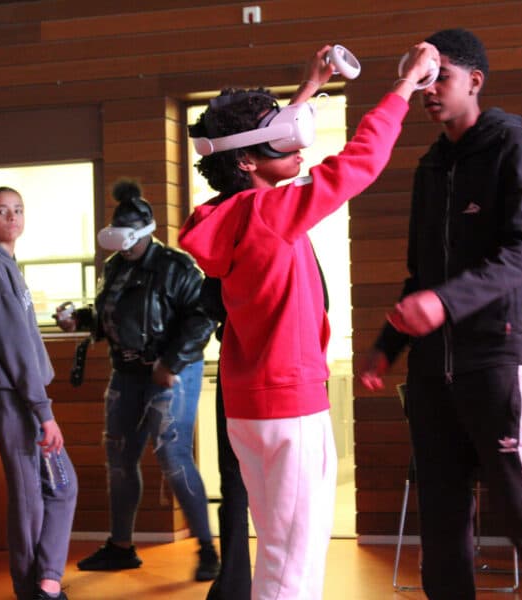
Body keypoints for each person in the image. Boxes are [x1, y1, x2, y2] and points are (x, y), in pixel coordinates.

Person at [178, 42, 440, 600]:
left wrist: (311, 86)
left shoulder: (226, 214)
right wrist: (405, 85)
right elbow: (360, 161)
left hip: (251, 407)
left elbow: (259, 150)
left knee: (279, 554)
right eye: (280, 131)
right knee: (290, 572)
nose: (296, 136)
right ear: (246, 160)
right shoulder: (271, 214)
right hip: (290, 408)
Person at [360, 28, 522, 600]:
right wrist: (387, 346)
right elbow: (419, 276)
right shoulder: (429, 168)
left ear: (475, 81)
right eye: (423, 80)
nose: (430, 91)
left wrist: (445, 302)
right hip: (431, 374)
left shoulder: (514, 145)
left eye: (442, 78)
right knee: (441, 522)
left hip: (496, 361)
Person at [55, 179, 219, 581]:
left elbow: (203, 317)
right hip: (126, 373)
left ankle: (207, 548)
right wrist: (81, 320)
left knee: (173, 456)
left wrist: (171, 362)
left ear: (146, 232)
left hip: (170, 372)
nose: (124, 247)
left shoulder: (176, 267)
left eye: (129, 238)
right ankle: (121, 546)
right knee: (119, 459)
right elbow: (112, 317)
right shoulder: (115, 268)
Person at [0, 186, 78, 600]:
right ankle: (35, 589)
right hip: (13, 396)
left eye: (18, 210)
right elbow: (12, 342)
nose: (11, 217)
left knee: (58, 487)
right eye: (1, 211)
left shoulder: (2, 264)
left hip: (17, 394)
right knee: (33, 494)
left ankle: (45, 583)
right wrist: (43, 410)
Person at [197, 277, 251, 600]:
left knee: (234, 481)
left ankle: (234, 587)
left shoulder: (231, 250)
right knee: (279, 488)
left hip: (239, 363)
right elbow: (322, 302)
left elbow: (209, 300)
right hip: (284, 369)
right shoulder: (299, 251)